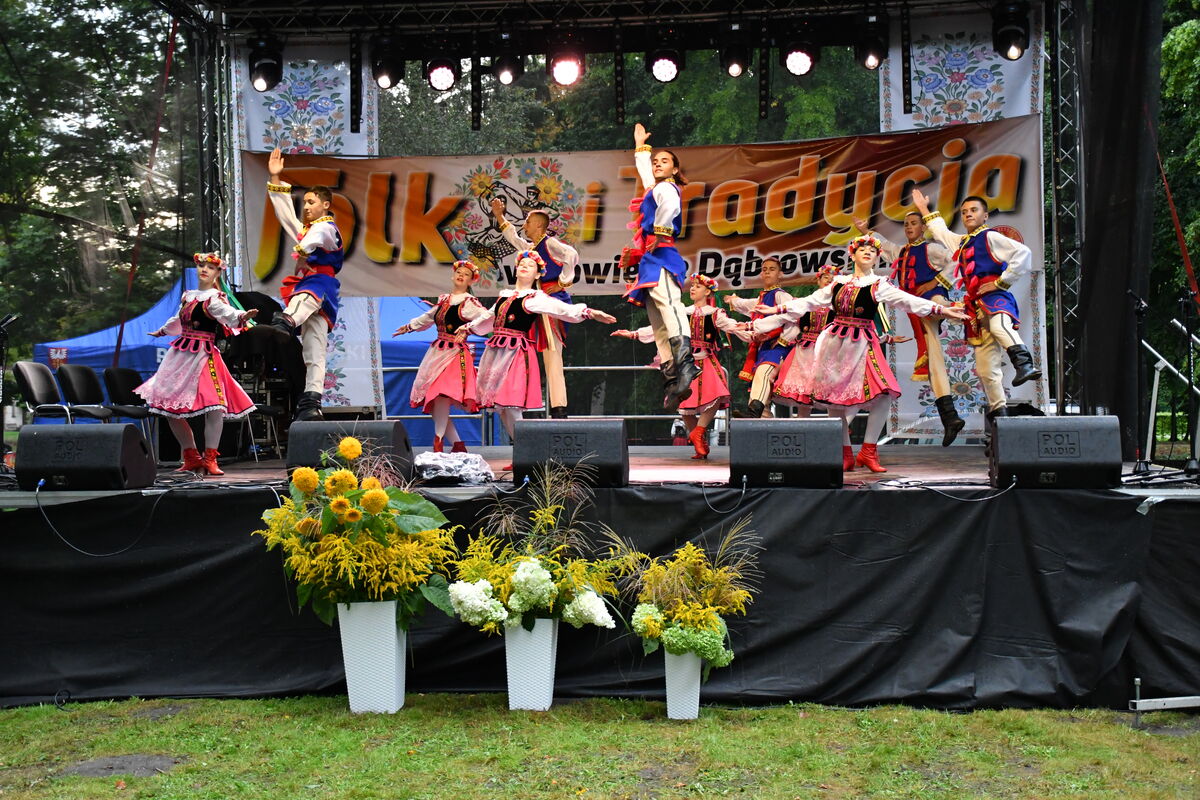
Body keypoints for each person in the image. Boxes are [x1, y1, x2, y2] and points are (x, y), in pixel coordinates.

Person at [751, 235, 968, 473]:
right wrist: (775, 309)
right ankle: (845, 453)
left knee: (884, 394)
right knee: (835, 401)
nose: (867, 252)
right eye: (862, 249)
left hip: (864, 344)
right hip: (835, 344)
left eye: (872, 250)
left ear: (876, 258)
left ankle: (868, 451)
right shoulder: (837, 283)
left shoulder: (879, 284)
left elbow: (908, 301)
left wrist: (942, 310)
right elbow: (809, 302)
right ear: (852, 255)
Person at [465, 250, 616, 464]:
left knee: (512, 405)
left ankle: (528, 455)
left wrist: (589, 312)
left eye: (530, 265)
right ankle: (523, 452)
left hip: (515, 353)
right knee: (501, 409)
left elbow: (562, 309)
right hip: (496, 351)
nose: (524, 266)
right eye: (521, 264)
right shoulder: (504, 296)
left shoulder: (535, 298)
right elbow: (487, 319)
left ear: (538, 275)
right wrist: (467, 328)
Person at [911, 189, 1041, 424]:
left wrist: (1000, 282)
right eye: (964, 212)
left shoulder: (991, 237)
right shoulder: (962, 242)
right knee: (985, 368)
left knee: (1000, 326)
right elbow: (941, 232)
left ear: (985, 216)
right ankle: (998, 413)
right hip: (975, 307)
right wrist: (923, 209)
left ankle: (1025, 364)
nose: (968, 215)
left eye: (973, 210)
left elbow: (1023, 253)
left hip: (994, 298)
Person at [136, 253, 258, 476]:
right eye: (201, 266)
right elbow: (177, 320)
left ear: (218, 273)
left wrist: (242, 316)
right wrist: (162, 331)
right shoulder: (188, 296)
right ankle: (191, 456)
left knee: (215, 406)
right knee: (169, 408)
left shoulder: (214, 298)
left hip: (203, 356)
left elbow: (227, 313)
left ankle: (210, 458)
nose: (204, 270)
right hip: (180, 355)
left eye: (210, 267)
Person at [853, 213, 965, 446]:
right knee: (933, 355)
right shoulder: (901, 252)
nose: (909, 227)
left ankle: (961, 312)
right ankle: (949, 416)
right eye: (905, 224)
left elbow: (956, 260)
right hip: (917, 312)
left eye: (914, 223)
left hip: (932, 299)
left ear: (923, 227)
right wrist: (866, 231)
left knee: (941, 312)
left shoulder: (931, 249)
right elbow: (885, 246)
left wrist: (935, 283)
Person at [612, 275, 750, 460]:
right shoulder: (683, 312)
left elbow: (734, 327)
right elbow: (661, 329)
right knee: (684, 404)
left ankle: (699, 432)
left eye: (697, 286)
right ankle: (699, 442)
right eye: (692, 286)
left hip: (707, 361)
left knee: (717, 395)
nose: (692, 289)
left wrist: (754, 330)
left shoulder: (716, 313)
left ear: (707, 291)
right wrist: (634, 334)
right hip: (686, 362)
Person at [621, 122, 699, 411]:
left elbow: (671, 208)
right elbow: (646, 176)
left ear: (675, 170)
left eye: (664, 161)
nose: (657, 164)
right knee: (658, 322)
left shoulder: (668, 188)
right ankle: (672, 377)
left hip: (663, 256)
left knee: (670, 307)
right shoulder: (655, 187)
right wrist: (642, 147)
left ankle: (686, 364)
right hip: (650, 261)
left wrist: (661, 230)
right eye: (656, 161)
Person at [265, 147, 343, 422]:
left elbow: (315, 237)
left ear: (325, 205)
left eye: (311, 202)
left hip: (320, 283)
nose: (306, 206)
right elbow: (287, 218)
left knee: (305, 297)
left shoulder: (327, 227)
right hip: (316, 284)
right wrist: (276, 181)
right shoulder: (308, 229)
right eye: (305, 202)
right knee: (314, 348)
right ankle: (312, 400)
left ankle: (285, 322)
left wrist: (302, 252)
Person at [489, 196, 580, 419]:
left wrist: (562, 282)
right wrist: (500, 216)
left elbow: (572, 254)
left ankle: (559, 408)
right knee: (520, 346)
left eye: (527, 222)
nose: (523, 226)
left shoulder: (549, 243)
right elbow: (514, 239)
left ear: (539, 225)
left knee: (552, 351)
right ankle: (515, 400)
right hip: (532, 300)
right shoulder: (533, 247)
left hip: (550, 300)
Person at [392, 260, 490, 453]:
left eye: (466, 275)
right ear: (453, 276)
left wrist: (468, 328)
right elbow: (428, 317)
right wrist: (409, 327)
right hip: (437, 352)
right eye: (459, 272)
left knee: (442, 395)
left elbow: (486, 318)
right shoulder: (444, 300)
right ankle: (458, 445)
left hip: (455, 354)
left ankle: (437, 442)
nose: (461, 276)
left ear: (471, 281)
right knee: (435, 401)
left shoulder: (469, 303)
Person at [724, 256, 795, 418]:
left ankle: (753, 412)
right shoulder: (762, 298)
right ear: (761, 275)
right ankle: (760, 425)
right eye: (765, 269)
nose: (768, 272)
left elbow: (796, 317)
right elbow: (748, 305)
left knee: (764, 374)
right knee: (762, 387)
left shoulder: (781, 296)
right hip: (763, 348)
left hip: (778, 348)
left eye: (772, 269)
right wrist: (733, 301)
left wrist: (784, 339)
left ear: (780, 274)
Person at [770, 263, 840, 417]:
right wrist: (783, 340)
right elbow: (792, 323)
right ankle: (802, 430)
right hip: (805, 351)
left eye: (832, 279)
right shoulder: (807, 302)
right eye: (825, 277)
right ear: (818, 280)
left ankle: (838, 429)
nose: (828, 280)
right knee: (803, 393)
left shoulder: (839, 305)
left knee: (829, 392)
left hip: (827, 351)